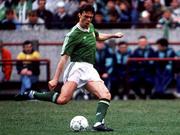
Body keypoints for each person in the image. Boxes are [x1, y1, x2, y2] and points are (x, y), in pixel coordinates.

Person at [24, 4, 123, 131]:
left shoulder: (91, 27)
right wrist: (55, 79)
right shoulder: (72, 35)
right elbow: (63, 58)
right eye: (86, 17)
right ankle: (33, 94)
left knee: (106, 94)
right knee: (62, 100)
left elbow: (97, 36)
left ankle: (98, 124)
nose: (88, 20)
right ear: (79, 15)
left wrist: (113, 35)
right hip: (76, 69)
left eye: (90, 17)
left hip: (89, 69)